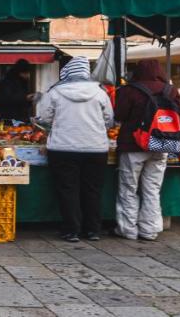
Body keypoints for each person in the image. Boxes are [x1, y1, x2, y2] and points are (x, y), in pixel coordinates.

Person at [35, 56, 114, 243]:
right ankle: (93, 230)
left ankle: (71, 230)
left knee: (67, 189)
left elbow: (43, 118)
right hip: (96, 148)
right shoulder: (100, 92)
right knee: (92, 190)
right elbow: (109, 120)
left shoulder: (55, 92)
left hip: (63, 148)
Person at [114, 59, 180, 242]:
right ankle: (149, 230)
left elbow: (119, 115)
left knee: (128, 188)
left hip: (133, 145)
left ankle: (128, 229)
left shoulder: (129, 90)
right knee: (152, 189)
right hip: (162, 144)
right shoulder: (171, 91)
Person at [0, 59, 35, 123]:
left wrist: (30, 100)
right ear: (21, 72)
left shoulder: (22, 82)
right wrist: (25, 98)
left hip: (20, 119)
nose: (28, 75)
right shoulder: (8, 82)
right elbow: (7, 99)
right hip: (9, 119)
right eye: (27, 73)